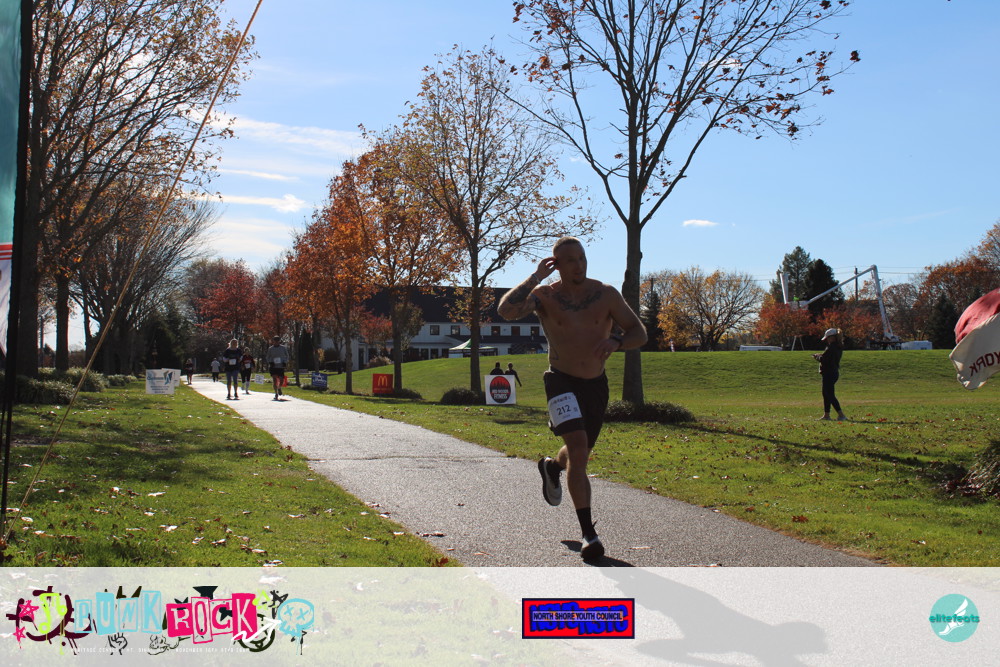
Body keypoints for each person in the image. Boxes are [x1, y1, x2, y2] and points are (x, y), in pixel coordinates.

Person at [498, 236, 646, 562]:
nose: (579, 265)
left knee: (579, 452)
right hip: (560, 380)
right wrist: (535, 277)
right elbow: (506, 311)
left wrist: (617, 342)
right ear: (557, 265)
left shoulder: (606, 294)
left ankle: (552, 466)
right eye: (570, 261)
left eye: (582, 258)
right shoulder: (545, 296)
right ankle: (589, 534)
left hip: (595, 385)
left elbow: (639, 332)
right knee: (579, 451)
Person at [813, 328, 847, 421]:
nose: (827, 340)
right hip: (833, 372)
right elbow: (828, 357)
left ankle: (841, 415)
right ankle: (826, 415)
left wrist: (817, 357)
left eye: (828, 338)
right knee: (826, 394)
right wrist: (821, 355)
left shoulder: (831, 347)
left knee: (830, 395)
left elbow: (824, 359)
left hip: (829, 373)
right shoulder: (838, 346)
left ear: (832, 337)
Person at [265, 336, 290, 401]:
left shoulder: (283, 348)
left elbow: (287, 356)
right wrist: (270, 362)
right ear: (273, 341)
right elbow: (267, 357)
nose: (276, 342)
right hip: (273, 367)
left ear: (279, 341)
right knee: (274, 380)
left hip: (280, 366)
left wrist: (285, 362)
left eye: (277, 341)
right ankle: (276, 393)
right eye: (275, 341)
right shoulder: (270, 349)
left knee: (281, 380)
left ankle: (279, 387)